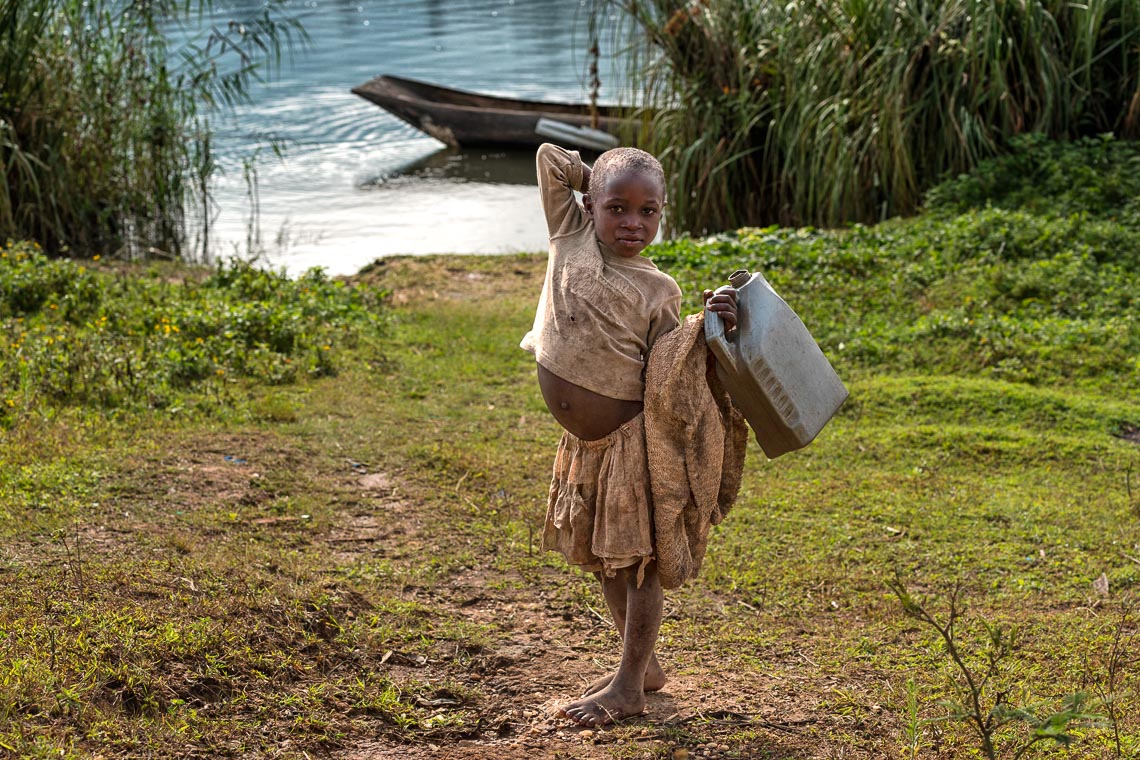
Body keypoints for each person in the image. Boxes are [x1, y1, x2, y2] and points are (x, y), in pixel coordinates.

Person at [521, 143, 738, 727]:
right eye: (618, 208)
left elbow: (674, 369)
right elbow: (547, 159)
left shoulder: (657, 289)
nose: (633, 223)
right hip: (584, 449)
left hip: (628, 445)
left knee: (637, 563)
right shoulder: (570, 233)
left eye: (649, 211)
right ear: (589, 206)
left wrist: (711, 325)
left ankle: (628, 686)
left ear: (663, 215)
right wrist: (601, 182)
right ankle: (642, 669)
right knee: (604, 559)